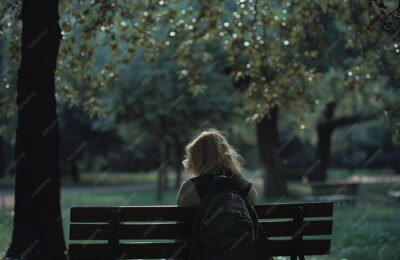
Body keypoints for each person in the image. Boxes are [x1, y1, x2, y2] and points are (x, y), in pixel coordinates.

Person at [176, 128, 258, 207]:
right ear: (227, 155)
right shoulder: (247, 188)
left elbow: (182, 220)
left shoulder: (191, 188)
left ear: (197, 159)